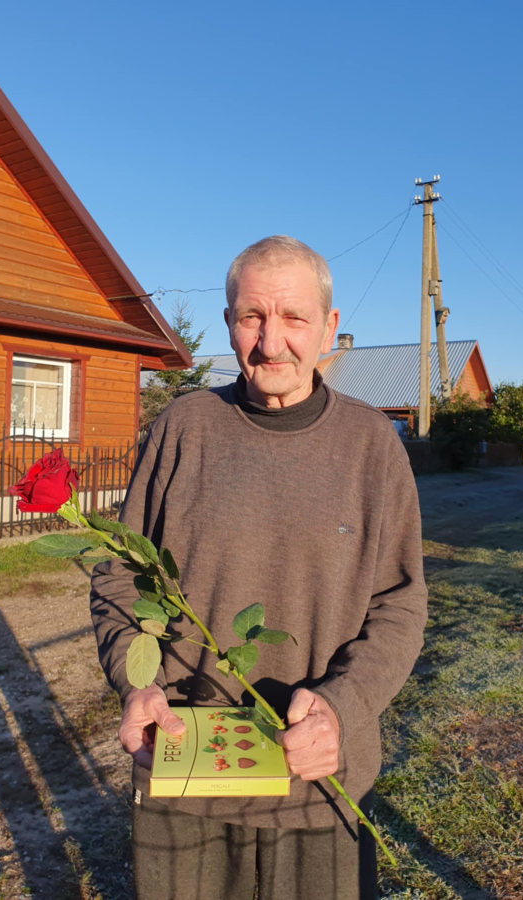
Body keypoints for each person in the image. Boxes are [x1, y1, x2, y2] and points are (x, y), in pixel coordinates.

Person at [90, 235, 428, 900]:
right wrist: (137, 683)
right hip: (185, 769)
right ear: (228, 323)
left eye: (294, 319)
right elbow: (120, 575)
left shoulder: (370, 446)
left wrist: (340, 707)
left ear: (329, 329)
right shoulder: (181, 430)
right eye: (251, 317)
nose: (270, 343)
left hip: (318, 781)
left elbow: (399, 603)